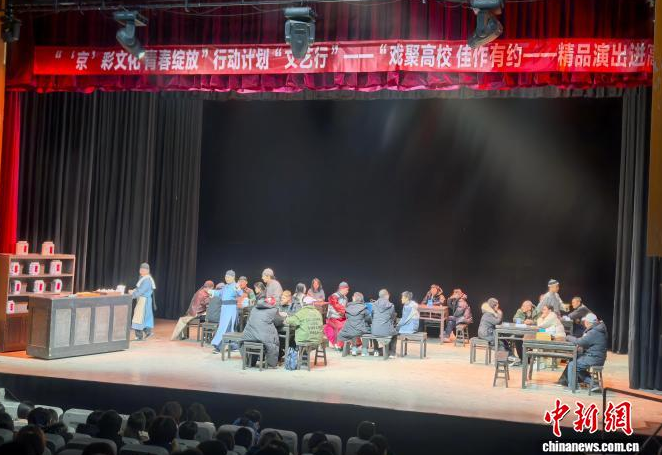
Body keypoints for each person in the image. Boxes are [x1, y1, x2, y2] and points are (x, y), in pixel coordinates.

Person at [557, 313, 607, 393]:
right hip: (597, 357)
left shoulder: (594, 332)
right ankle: (594, 385)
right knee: (577, 367)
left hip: (593, 357)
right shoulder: (598, 329)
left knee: (572, 365)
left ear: (587, 322)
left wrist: (568, 337)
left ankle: (573, 388)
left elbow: (580, 342)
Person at [242, 290, 284, 367]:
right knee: (273, 342)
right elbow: (279, 322)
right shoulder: (273, 310)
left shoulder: (254, 309)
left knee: (257, 336)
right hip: (262, 338)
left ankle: (250, 362)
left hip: (247, 336)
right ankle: (271, 364)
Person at [210, 270, 245, 353]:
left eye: (228, 277)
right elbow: (220, 293)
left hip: (230, 310)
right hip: (224, 309)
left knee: (226, 327)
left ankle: (219, 347)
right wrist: (212, 292)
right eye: (226, 277)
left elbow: (240, 293)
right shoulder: (225, 286)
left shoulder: (235, 285)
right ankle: (234, 346)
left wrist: (238, 289)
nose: (226, 278)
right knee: (228, 328)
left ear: (233, 277)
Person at [130, 262, 156, 341]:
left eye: (143, 270)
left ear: (147, 271)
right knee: (143, 317)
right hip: (143, 300)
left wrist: (132, 295)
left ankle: (139, 336)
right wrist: (134, 291)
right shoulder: (143, 278)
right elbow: (139, 288)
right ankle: (148, 332)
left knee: (138, 317)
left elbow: (141, 290)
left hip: (144, 300)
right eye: (141, 269)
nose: (141, 271)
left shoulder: (147, 280)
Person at [371, 289, 398, 358]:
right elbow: (392, 317)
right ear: (387, 296)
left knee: (375, 331)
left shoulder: (374, 305)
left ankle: (376, 350)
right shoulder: (391, 305)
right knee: (395, 334)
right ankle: (392, 353)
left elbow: (372, 316)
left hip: (375, 330)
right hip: (386, 330)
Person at [324, 282, 349, 350]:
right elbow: (337, 306)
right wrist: (344, 312)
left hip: (340, 318)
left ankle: (341, 344)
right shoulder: (334, 296)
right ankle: (338, 345)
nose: (347, 291)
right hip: (332, 317)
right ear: (342, 289)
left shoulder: (345, 298)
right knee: (341, 327)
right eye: (346, 289)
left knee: (348, 325)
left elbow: (345, 308)